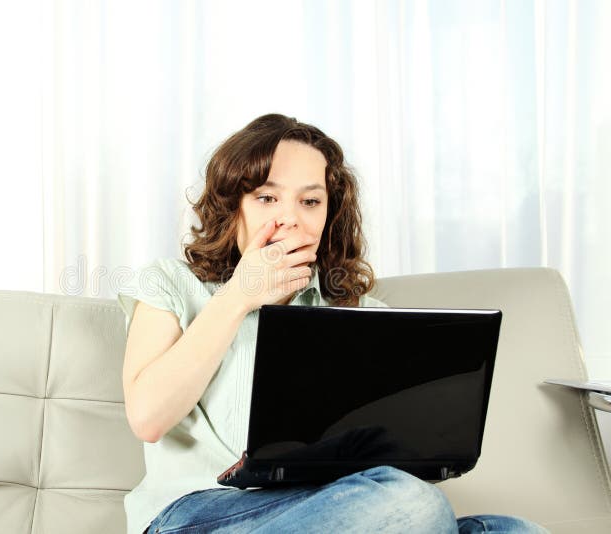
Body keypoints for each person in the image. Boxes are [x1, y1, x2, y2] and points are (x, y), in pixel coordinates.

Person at [117, 114, 547, 533]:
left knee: (517, 530)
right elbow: (148, 419)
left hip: (332, 510)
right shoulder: (171, 284)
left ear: (329, 215)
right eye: (267, 198)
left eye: (310, 201)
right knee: (412, 504)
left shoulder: (365, 318)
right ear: (234, 207)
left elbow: (390, 469)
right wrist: (239, 296)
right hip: (196, 515)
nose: (290, 217)